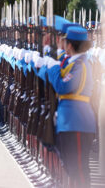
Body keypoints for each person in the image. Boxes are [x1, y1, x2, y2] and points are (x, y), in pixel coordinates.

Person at [46, 26, 96, 188]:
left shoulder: (80, 65)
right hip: (69, 123)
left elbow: (63, 87)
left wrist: (52, 67)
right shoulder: (74, 63)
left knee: (79, 170)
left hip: (77, 123)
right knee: (71, 167)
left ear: (70, 45)